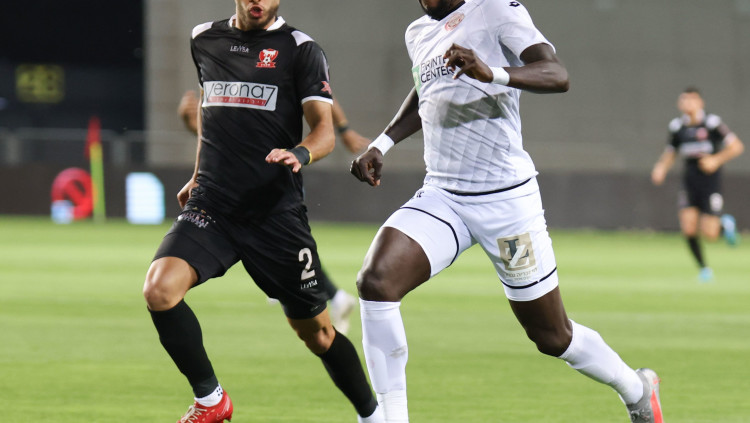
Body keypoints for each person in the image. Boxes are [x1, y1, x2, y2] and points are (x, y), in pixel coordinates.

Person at [350, 1, 663, 422]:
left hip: (506, 202)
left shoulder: (495, 9)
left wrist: (493, 73)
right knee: (376, 281)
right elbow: (427, 91)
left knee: (552, 336)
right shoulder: (417, 32)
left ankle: (636, 388)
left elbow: (557, 74)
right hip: (444, 194)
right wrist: (381, 143)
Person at [143, 1, 384, 422]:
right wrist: (197, 175)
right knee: (159, 291)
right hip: (213, 205)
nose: (260, 1)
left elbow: (324, 131)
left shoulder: (301, 49)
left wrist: (300, 153)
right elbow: (211, 112)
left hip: (274, 215)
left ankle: (373, 417)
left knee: (319, 336)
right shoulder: (204, 39)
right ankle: (211, 400)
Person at [177, 90, 359, 333]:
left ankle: (328, 303)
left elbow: (322, 96)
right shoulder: (228, 81)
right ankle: (328, 297)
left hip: (273, 180)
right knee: (284, 252)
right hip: (253, 180)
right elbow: (221, 138)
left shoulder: (284, 70)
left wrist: (344, 129)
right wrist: (194, 123)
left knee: (282, 251)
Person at [651, 87, 744, 282]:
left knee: (710, 233)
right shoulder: (677, 127)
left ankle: (724, 225)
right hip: (690, 182)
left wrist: (716, 160)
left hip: (710, 183)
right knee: (688, 227)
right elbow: (671, 152)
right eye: (684, 100)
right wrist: (661, 168)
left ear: (700, 102)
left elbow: (736, 146)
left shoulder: (712, 123)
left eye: (692, 99)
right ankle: (704, 269)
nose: (688, 103)